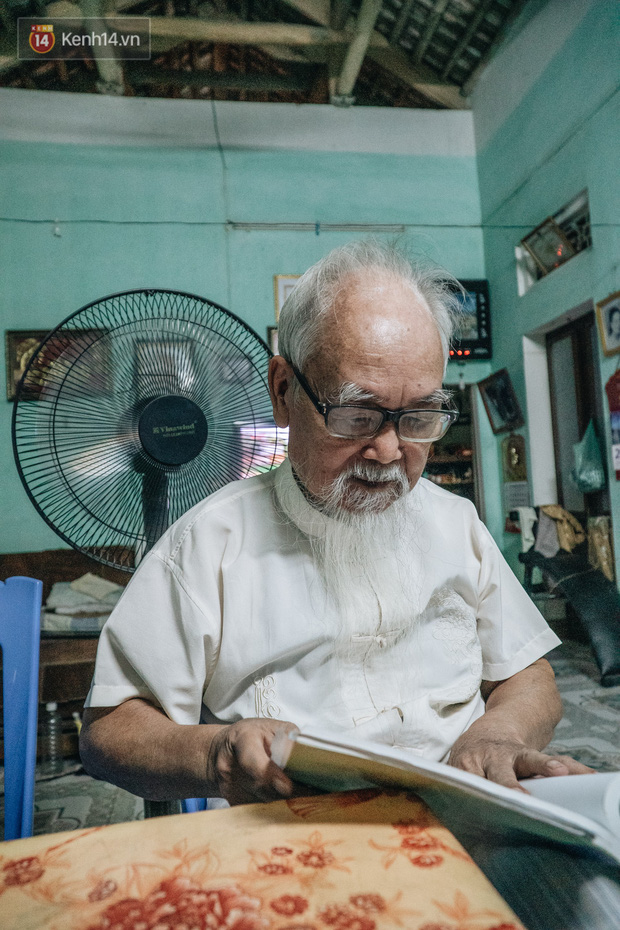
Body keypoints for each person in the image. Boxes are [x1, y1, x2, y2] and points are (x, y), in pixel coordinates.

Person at [80, 240, 592, 806]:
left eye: (419, 417)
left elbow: (527, 675)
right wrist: (214, 755)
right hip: (299, 834)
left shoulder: (455, 524)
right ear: (283, 391)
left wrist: (498, 733)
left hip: (464, 816)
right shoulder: (207, 547)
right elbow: (109, 730)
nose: (389, 451)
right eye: (357, 415)